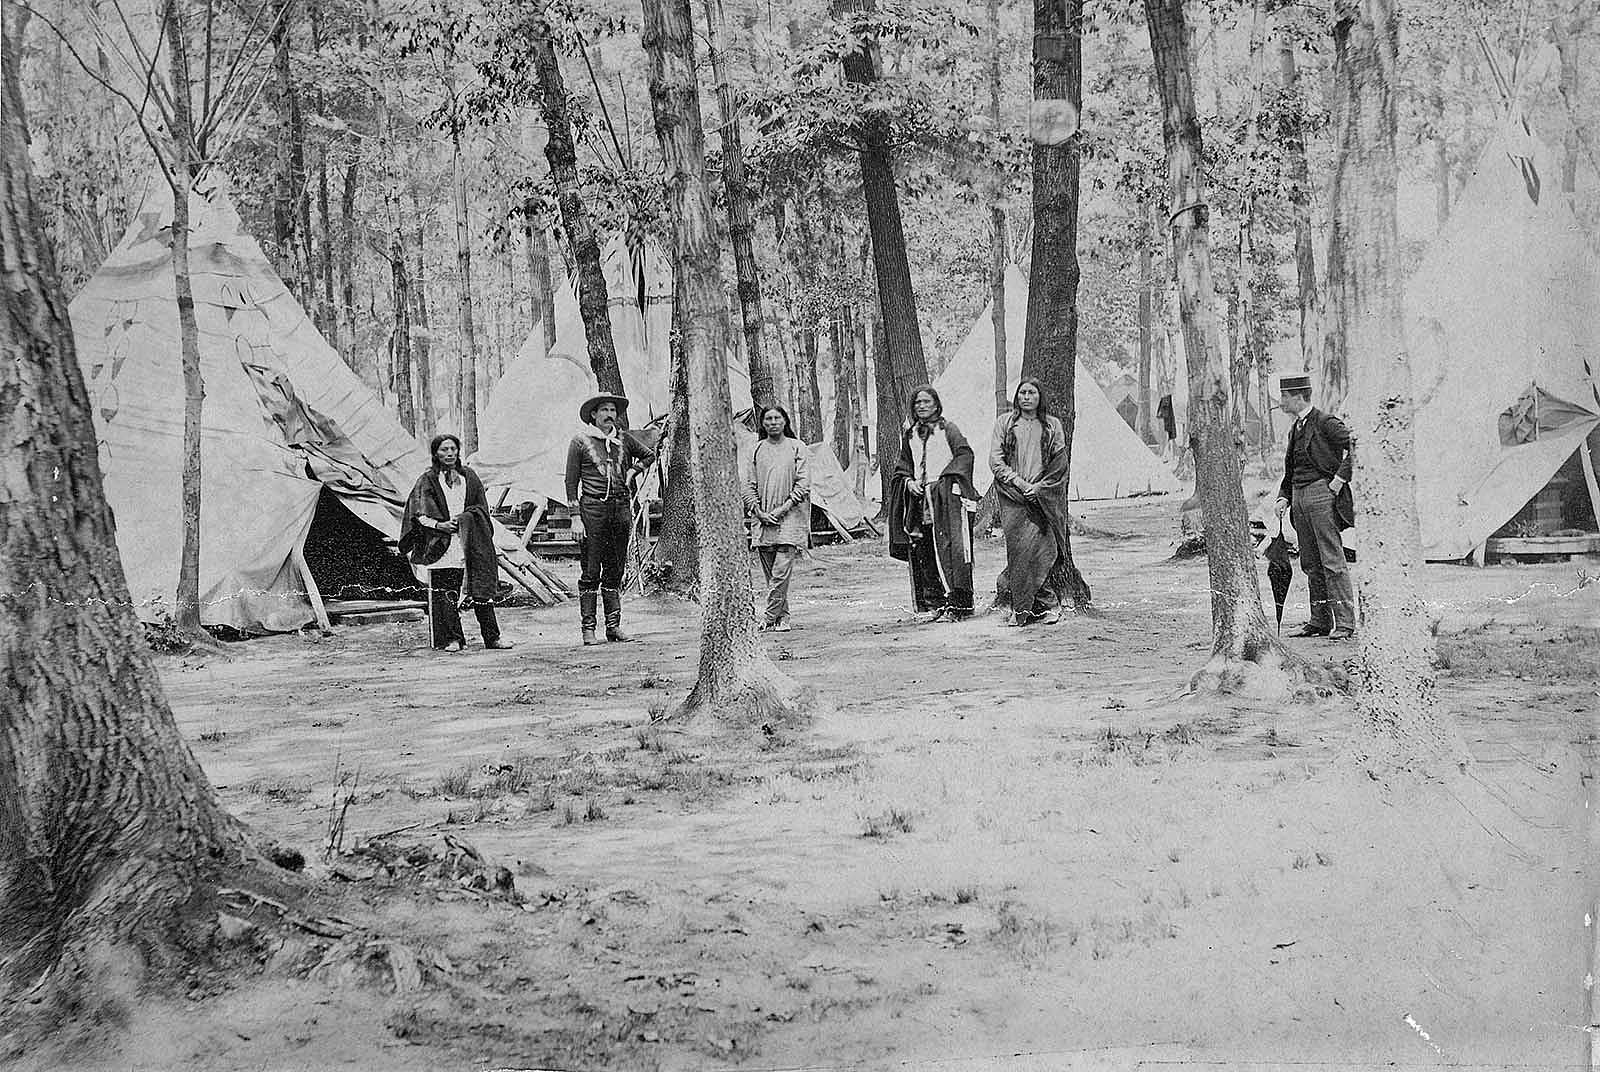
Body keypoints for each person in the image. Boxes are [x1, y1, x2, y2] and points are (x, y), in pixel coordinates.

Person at [400, 434, 513, 652]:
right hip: (442, 542)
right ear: (435, 453)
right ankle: (453, 639)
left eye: (453, 449)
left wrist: (465, 520)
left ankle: (493, 638)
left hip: (471, 538)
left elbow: (481, 508)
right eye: (444, 450)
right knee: (447, 591)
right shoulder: (428, 479)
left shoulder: (469, 476)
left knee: (481, 588)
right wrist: (438, 525)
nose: (449, 453)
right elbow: (417, 512)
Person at [565, 393, 654, 645]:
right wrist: (575, 518)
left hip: (620, 510)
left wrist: (633, 472)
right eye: (603, 410)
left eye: (612, 410)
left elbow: (649, 454)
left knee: (615, 569)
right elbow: (571, 482)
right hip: (592, 511)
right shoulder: (580, 441)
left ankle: (613, 627)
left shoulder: (624, 439)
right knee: (591, 570)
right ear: (593, 415)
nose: (609, 414)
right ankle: (588, 629)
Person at [1273, 373, 1356, 640]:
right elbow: (1291, 468)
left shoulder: (1325, 422)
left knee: (1332, 559)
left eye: (1284, 397)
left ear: (1298, 396)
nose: (1281, 402)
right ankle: (1319, 621)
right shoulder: (1295, 427)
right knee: (1310, 562)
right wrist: (1283, 496)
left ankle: (1344, 623)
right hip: (1298, 497)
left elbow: (1357, 444)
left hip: (1322, 494)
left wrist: (1339, 480)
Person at [888, 386, 980, 622]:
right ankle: (934, 603)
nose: (921, 406)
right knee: (925, 548)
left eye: (926, 401)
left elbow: (965, 455)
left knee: (953, 549)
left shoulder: (948, 429)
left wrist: (947, 481)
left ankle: (958, 605)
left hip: (946, 499)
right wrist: (908, 482)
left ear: (937, 404)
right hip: (921, 501)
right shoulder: (909, 436)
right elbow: (903, 466)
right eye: (917, 402)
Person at [989, 378, 1074, 626]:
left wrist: (1039, 488)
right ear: (1017, 397)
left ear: (1040, 397)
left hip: (1042, 498)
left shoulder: (1052, 425)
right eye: (1022, 392)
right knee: (1018, 552)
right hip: (1014, 497)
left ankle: (1049, 606)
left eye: (1032, 393)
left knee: (1043, 551)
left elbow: (1060, 463)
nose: (1026, 397)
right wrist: (1020, 483)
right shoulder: (1005, 423)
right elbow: (995, 460)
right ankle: (1025, 608)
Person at [743, 405, 811, 632]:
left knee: (781, 571)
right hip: (763, 519)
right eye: (768, 419)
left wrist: (782, 509)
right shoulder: (756, 450)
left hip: (790, 515)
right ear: (762, 424)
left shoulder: (796, 447)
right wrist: (758, 511)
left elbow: (803, 484)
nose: (773, 422)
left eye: (777, 418)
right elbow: (748, 485)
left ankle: (768, 617)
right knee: (772, 574)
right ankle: (783, 618)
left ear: (785, 421)